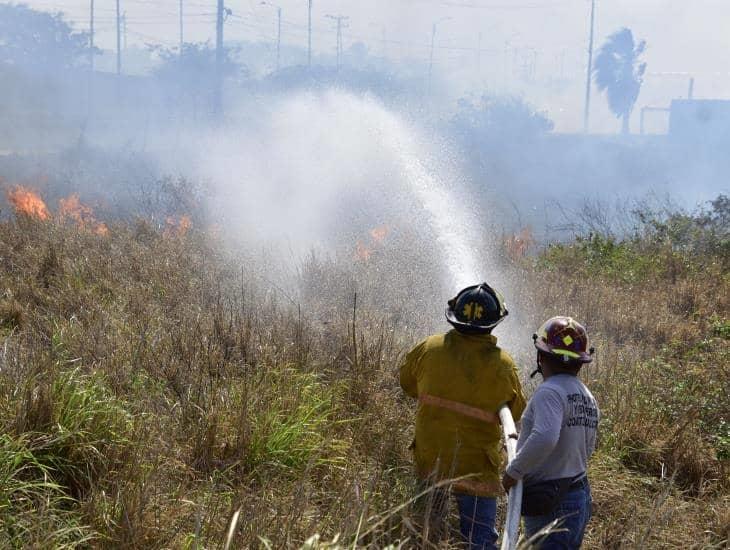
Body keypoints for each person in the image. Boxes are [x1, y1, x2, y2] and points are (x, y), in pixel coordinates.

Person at [400, 283, 526, 550]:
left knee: (425, 530)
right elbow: (515, 412)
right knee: (479, 540)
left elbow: (407, 384)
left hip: (430, 459)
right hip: (476, 469)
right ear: (494, 322)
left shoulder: (429, 348)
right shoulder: (503, 365)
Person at [502, 316, 599, 549]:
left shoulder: (549, 391)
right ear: (579, 363)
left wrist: (513, 472)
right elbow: (587, 447)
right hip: (578, 494)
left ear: (542, 357)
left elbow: (546, 437)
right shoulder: (586, 395)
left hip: (553, 501)